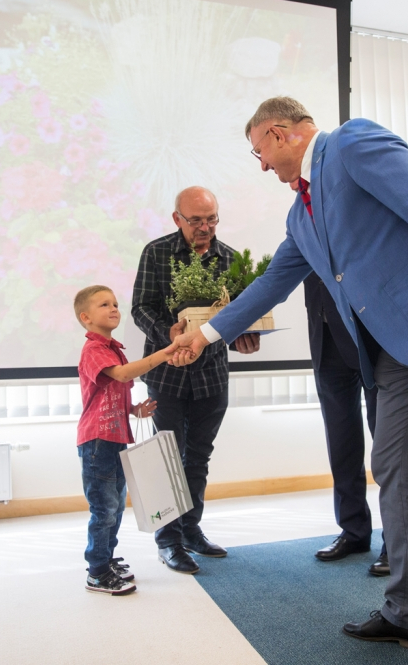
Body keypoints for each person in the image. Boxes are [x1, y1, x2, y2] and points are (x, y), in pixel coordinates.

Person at [171, 97, 408, 665]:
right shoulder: (300, 216)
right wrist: (207, 334)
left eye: (259, 151)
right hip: (390, 355)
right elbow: (271, 283)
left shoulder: (352, 144)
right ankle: (407, 615)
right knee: (392, 472)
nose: (261, 165)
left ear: (281, 132)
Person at [131, 186, 261, 574]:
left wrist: (244, 341)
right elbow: (140, 308)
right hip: (166, 374)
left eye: (212, 219)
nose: (205, 228)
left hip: (211, 378)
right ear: (177, 219)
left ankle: (191, 530)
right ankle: (167, 541)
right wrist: (167, 333)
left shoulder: (231, 260)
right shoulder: (156, 253)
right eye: (196, 221)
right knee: (166, 457)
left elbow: (235, 322)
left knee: (198, 457)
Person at [73, 285, 177, 595]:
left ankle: (106, 558)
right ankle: (97, 571)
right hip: (97, 442)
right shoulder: (94, 350)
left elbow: (111, 392)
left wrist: (133, 409)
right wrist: (165, 352)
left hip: (115, 437)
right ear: (86, 317)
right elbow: (120, 376)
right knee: (103, 508)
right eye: (104, 304)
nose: (114, 308)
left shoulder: (112, 348)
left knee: (116, 506)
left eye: (115, 303)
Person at [305, 272, 387, 575]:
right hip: (326, 337)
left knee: (388, 446)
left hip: (375, 337)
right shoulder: (303, 224)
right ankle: (353, 531)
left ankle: (397, 542)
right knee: (341, 443)